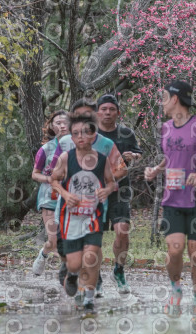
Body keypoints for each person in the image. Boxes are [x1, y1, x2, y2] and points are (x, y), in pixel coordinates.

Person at [144, 80, 196, 322]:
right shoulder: (165, 128)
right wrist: (157, 170)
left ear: (174, 99)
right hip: (172, 200)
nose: (161, 102)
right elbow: (171, 157)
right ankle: (176, 291)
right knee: (174, 249)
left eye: (164, 97)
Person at [50, 98, 127, 295]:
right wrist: (64, 192)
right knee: (67, 249)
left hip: (94, 207)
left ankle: (93, 285)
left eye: (88, 115)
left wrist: (101, 180)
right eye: (79, 115)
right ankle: (70, 267)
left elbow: (121, 169)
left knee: (92, 246)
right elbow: (54, 173)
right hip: (68, 207)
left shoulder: (106, 144)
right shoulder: (65, 142)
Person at [96, 94, 142, 294]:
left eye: (112, 109)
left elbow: (137, 154)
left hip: (120, 189)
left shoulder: (126, 133)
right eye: (104, 109)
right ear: (97, 112)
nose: (108, 113)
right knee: (94, 236)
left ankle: (119, 270)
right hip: (95, 191)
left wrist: (133, 156)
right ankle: (95, 276)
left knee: (122, 230)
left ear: (118, 112)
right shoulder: (90, 134)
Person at [31, 111, 69, 276]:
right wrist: (50, 179)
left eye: (65, 122)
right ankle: (44, 254)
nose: (62, 126)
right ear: (52, 127)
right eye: (58, 123)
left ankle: (68, 273)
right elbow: (35, 174)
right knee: (53, 241)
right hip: (49, 197)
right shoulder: (46, 149)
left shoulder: (79, 147)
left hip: (70, 197)